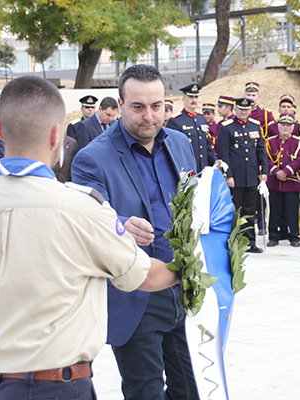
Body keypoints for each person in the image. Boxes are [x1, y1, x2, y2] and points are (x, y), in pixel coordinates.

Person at [0, 75, 178, 400]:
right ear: (57, 134)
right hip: (63, 385)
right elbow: (146, 276)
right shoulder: (83, 209)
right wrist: (192, 264)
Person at [72, 64, 199, 399]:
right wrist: (120, 224)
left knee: (193, 389)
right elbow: (87, 225)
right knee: (146, 392)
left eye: (157, 106)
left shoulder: (181, 143)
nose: (149, 117)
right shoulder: (91, 158)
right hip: (135, 295)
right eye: (138, 107)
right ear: (120, 104)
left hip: (183, 288)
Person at [217, 97, 268, 253]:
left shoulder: (255, 126)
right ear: (235, 110)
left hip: (251, 176)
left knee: (250, 212)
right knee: (236, 212)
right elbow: (223, 153)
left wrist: (264, 172)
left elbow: (261, 150)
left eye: (247, 109)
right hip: (236, 177)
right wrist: (228, 175)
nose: (244, 112)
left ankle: (250, 243)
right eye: (241, 109)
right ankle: (235, 243)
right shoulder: (226, 127)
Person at [265, 113, 300, 247]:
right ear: (278, 126)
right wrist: (276, 171)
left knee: (293, 211)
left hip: (292, 182)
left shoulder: (299, 142)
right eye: (283, 125)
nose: (285, 127)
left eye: (288, 125)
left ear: (292, 128)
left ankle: (294, 236)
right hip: (274, 181)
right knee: (274, 211)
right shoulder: (270, 141)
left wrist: (286, 171)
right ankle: (273, 236)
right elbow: (266, 158)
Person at [166, 83, 216, 172]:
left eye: (196, 97)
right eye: (191, 97)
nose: (194, 100)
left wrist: (215, 161)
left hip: (203, 170)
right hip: (186, 171)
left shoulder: (201, 119)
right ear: (183, 99)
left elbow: (206, 145)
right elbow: (172, 149)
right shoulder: (175, 121)